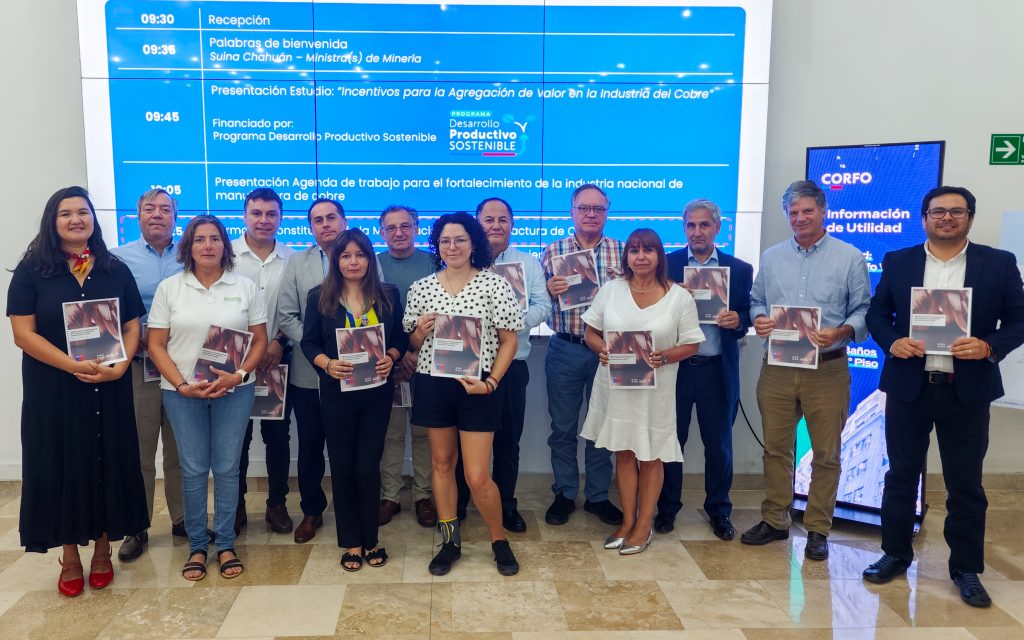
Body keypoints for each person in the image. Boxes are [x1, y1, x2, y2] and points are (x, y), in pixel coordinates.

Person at [862, 186, 1024, 608]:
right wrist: (892, 341)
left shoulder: (999, 263)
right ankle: (894, 554)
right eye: (938, 212)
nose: (946, 218)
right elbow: (877, 314)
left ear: (970, 217)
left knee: (965, 484)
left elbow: (1020, 320)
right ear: (924, 218)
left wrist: (988, 346)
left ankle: (966, 569)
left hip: (966, 391)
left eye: (956, 211)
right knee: (900, 476)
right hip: (909, 388)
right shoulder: (899, 261)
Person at [7, 186, 149, 597]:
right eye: (65, 213)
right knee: (61, 465)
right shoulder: (32, 270)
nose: (75, 219)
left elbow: (131, 325)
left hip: (107, 388)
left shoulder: (114, 268)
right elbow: (23, 334)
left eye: (83, 212)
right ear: (52, 222)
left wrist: (120, 365)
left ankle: (103, 550)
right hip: (53, 390)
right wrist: (72, 365)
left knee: (105, 461)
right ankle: (69, 556)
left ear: (93, 219)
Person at [741, 180, 871, 561]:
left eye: (807, 211)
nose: (799, 218)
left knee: (826, 454)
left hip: (827, 369)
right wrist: (759, 318)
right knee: (775, 450)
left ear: (823, 210)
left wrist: (841, 331)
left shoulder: (850, 258)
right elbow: (756, 300)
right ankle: (775, 520)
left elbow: (863, 310)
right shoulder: (772, 257)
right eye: (793, 212)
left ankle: (818, 529)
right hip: (778, 367)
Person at [146, 215, 268, 581]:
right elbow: (156, 344)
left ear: (225, 246)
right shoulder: (170, 288)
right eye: (200, 239)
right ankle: (198, 546)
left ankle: (226, 543)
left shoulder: (245, 287)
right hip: (183, 394)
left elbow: (260, 340)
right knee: (194, 469)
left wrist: (239, 375)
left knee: (228, 468)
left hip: (235, 391)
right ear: (189, 246)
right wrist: (181, 384)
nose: (208, 245)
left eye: (215, 239)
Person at [404, 212, 523, 576]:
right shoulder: (422, 287)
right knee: (442, 464)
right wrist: (420, 332)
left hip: (478, 386)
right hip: (433, 384)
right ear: (436, 245)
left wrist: (492, 383)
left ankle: (498, 540)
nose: (452, 246)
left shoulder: (494, 284)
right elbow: (412, 344)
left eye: (460, 240)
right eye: (445, 240)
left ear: (474, 244)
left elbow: (509, 341)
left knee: (476, 475)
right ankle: (450, 542)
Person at [580, 229, 705, 555]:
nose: (641, 256)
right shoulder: (611, 290)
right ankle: (627, 522)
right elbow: (590, 332)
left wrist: (665, 356)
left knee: (650, 456)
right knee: (623, 452)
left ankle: (644, 525)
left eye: (648, 250)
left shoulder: (679, 296)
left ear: (659, 255)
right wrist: (602, 349)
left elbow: (691, 344)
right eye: (634, 250)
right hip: (616, 389)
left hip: (656, 392)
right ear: (627, 257)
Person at [301, 229, 407, 571]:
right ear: (336, 260)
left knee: (367, 466)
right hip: (337, 393)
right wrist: (327, 364)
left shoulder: (388, 294)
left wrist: (391, 356)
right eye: (345, 256)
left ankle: (371, 539)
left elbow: (400, 337)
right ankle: (351, 542)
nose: (353, 262)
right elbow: (308, 343)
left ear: (369, 259)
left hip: (377, 393)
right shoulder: (319, 297)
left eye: (360, 255)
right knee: (343, 466)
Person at [656, 199, 753, 539]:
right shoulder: (666, 266)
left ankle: (719, 511)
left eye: (704, 225)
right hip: (676, 370)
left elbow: (748, 313)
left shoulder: (739, 269)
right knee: (671, 442)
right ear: (684, 228)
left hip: (716, 369)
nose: (697, 232)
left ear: (717, 228)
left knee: (719, 445)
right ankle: (667, 508)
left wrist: (738, 319)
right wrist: (671, 300)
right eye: (691, 225)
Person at [455, 197, 551, 531]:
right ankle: (460, 502)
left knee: (508, 440)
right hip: (467, 364)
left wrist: (507, 324)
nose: (496, 226)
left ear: (512, 224)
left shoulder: (529, 263)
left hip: (512, 365)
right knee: (463, 439)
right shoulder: (463, 261)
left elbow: (543, 306)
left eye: (502, 220)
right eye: (488, 219)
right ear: (477, 223)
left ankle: (506, 505)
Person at [111, 188, 189, 561]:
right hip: (139, 365)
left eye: (165, 209)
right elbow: (107, 309)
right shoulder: (117, 258)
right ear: (138, 214)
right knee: (140, 451)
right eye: (149, 208)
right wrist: (133, 336)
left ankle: (184, 520)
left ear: (175, 215)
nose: (157, 214)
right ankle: (136, 527)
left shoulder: (191, 255)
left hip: (183, 367)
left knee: (182, 450)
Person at [541, 184, 624, 526]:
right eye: (584, 208)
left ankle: (598, 496)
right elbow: (536, 302)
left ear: (607, 213)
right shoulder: (553, 251)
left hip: (609, 350)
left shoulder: (622, 251)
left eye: (598, 209)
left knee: (602, 425)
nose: (591, 214)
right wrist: (548, 290)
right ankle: (564, 493)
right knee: (562, 426)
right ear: (571, 212)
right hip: (566, 348)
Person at [277, 197, 346, 542]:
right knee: (310, 445)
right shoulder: (296, 262)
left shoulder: (361, 254)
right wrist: (317, 347)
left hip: (353, 371)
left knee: (348, 445)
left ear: (343, 221)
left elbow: (380, 305)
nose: (325, 224)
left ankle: (351, 508)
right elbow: (286, 315)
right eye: (318, 220)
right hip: (309, 371)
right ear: (311, 227)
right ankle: (312, 511)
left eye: (331, 217)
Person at [231, 188, 296, 536]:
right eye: (256, 213)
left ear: (281, 218)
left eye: (271, 214)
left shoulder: (292, 259)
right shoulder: (225, 255)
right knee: (236, 438)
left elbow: (297, 310)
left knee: (277, 436)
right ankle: (236, 505)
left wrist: (277, 342)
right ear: (244, 216)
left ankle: (277, 504)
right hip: (233, 362)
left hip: (275, 359)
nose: (263, 220)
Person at [376, 205, 438, 528]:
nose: (398, 232)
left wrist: (415, 351)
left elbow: (445, 312)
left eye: (405, 226)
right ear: (381, 232)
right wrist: (397, 356)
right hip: (388, 363)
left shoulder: (434, 262)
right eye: (391, 227)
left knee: (424, 432)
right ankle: (390, 496)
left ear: (416, 228)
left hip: (428, 363)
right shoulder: (372, 264)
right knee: (391, 432)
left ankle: (423, 496)